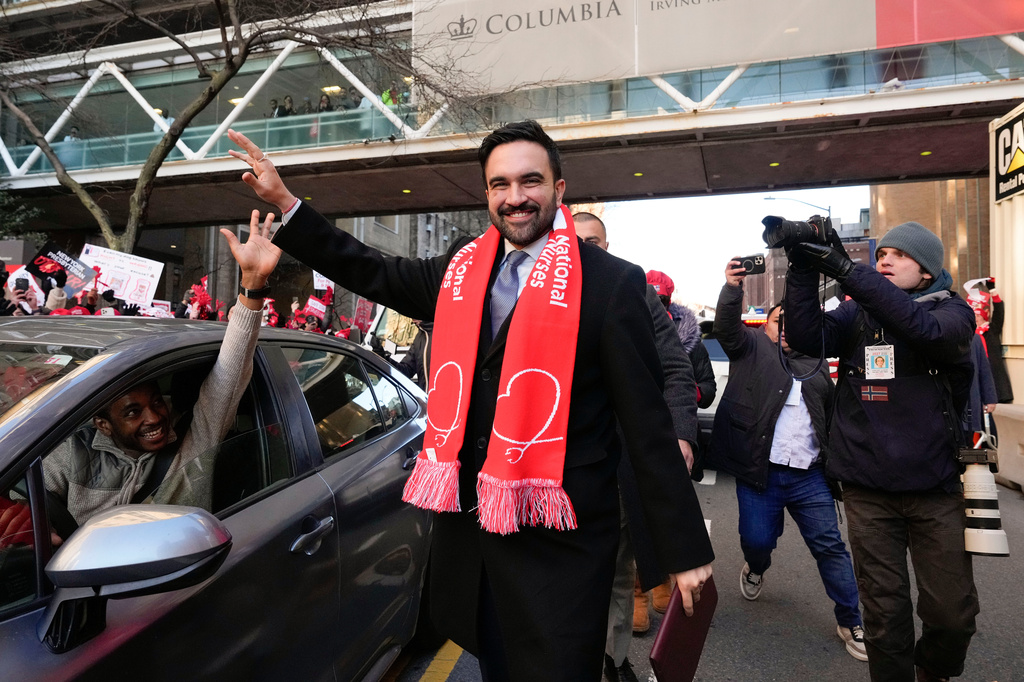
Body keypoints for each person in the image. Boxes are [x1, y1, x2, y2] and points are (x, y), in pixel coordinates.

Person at [227, 120, 713, 681]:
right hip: (476, 542)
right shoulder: (461, 268)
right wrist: (287, 203)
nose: (515, 198)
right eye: (499, 184)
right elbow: (375, 271)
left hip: (561, 547)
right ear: (487, 194)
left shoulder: (611, 283)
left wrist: (684, 550)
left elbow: (646, 424)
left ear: (558, 189)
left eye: (530, 181)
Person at [782, 220, 979, 682]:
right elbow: (807, 338)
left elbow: (923, 331)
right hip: (868, 488)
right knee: (884, 616)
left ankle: (933, 669)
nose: (885, 260)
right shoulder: (857, 314)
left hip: (935, 488)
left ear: (927, 272)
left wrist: (847, 269)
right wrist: (802, 269)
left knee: (952, 614)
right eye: (882, 253)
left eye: (899, 256)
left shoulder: (953, 313)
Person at [42, 211, 280, 527]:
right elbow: (20, 511)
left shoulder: (193, 446)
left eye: (156, 401)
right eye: (132, 412)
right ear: (103, 424)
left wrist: (252, 284)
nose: (154, 417)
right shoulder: (70, 452)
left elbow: (229, 375)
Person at [710, 260, 866, 661]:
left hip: (809, 477)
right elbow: (727, 329)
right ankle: (756, 566)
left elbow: (833, 417)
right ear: (767, 326)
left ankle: (851, 619)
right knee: (758, 540)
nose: (788, 331)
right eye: (781, 323)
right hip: (760, 475)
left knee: (831, 547)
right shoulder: (753, 349)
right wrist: (732, 289)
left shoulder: (817, 365)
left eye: (796, 324)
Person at [573, 212, 699, 681]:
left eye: (596, 242)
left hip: (621, 463)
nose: (588, 249)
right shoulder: (535, 289)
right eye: (578, 240)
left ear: (608, 246)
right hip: (554, 471)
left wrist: (682, 434)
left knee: (619, 570)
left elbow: (674, 368)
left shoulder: (632, 289)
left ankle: (614, 658)